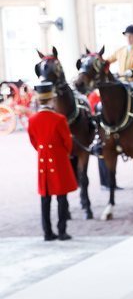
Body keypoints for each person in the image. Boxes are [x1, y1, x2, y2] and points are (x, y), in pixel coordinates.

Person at [27, 81, 77, 241]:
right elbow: (67, 143)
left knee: (45, 198)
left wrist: (43, 150)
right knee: (62, 197)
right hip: (59, 159)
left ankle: (47, 232)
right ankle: (62, 231)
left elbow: (34, 141)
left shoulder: (32, 120)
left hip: (43, 161)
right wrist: (62, 154)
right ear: (51, 100)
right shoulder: (59, 119)